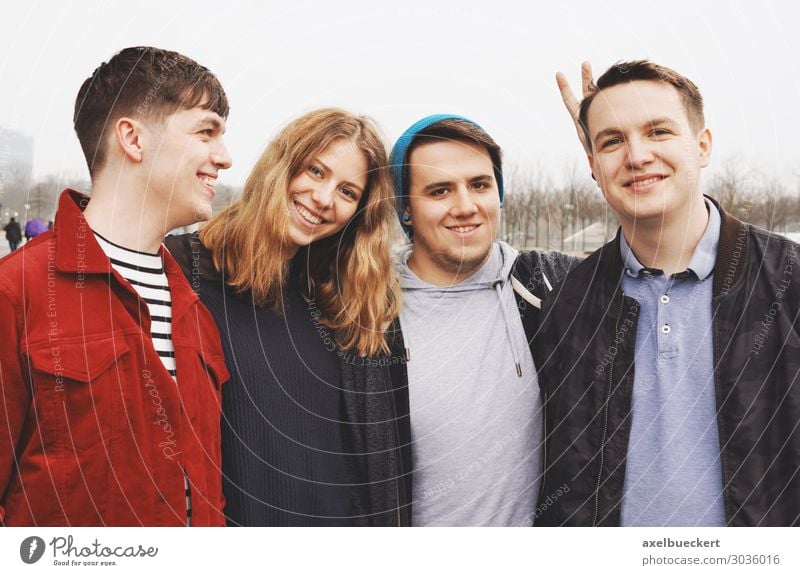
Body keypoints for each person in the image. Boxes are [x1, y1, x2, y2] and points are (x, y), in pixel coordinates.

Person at [535, 60, 800, 526]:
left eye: (658, 132)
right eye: (612, 141)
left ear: (702, 146)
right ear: (592, 165)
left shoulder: (789, 282)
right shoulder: (567, 304)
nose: (636, 156)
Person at [0, 46, 232, 526]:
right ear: (133, 138)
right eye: (206, 131)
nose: (224, 158)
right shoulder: (15, 292)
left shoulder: (196, 310)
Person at [165, 108, 409, 526]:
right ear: (283, 164)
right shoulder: (181, 268)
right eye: (316, 171)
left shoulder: (348, 299)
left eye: (348, 192)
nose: (324, 198)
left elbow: (381, 459)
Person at [387, 115, 579, 526]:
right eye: (440, 191)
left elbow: (656, 259)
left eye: (479, 185)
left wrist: (610, 157)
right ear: (405, 209)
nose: (466, 206)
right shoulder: (367, 312)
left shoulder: (549, 288)